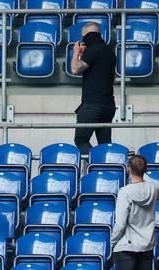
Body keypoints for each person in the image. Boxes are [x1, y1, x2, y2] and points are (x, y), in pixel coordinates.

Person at [71, 22, 116, 154]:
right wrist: (83, 56)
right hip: (109, 105)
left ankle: (95, 165)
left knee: (81, 140)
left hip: (92, 105)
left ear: (88, 36)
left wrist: (76, 53)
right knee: (105, 144)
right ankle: (107, 168)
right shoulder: (109, 50)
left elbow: (75, 69)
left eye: (84, 37)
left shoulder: (93, 50)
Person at [111, 155, 158, 270]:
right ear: (145, 170)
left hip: (126, 248)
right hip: (147, 246)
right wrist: (142, 171)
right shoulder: (153, 188)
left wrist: (112, 242)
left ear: (128, 168)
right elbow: (149, 180)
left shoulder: (125, 192)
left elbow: (120, 224)